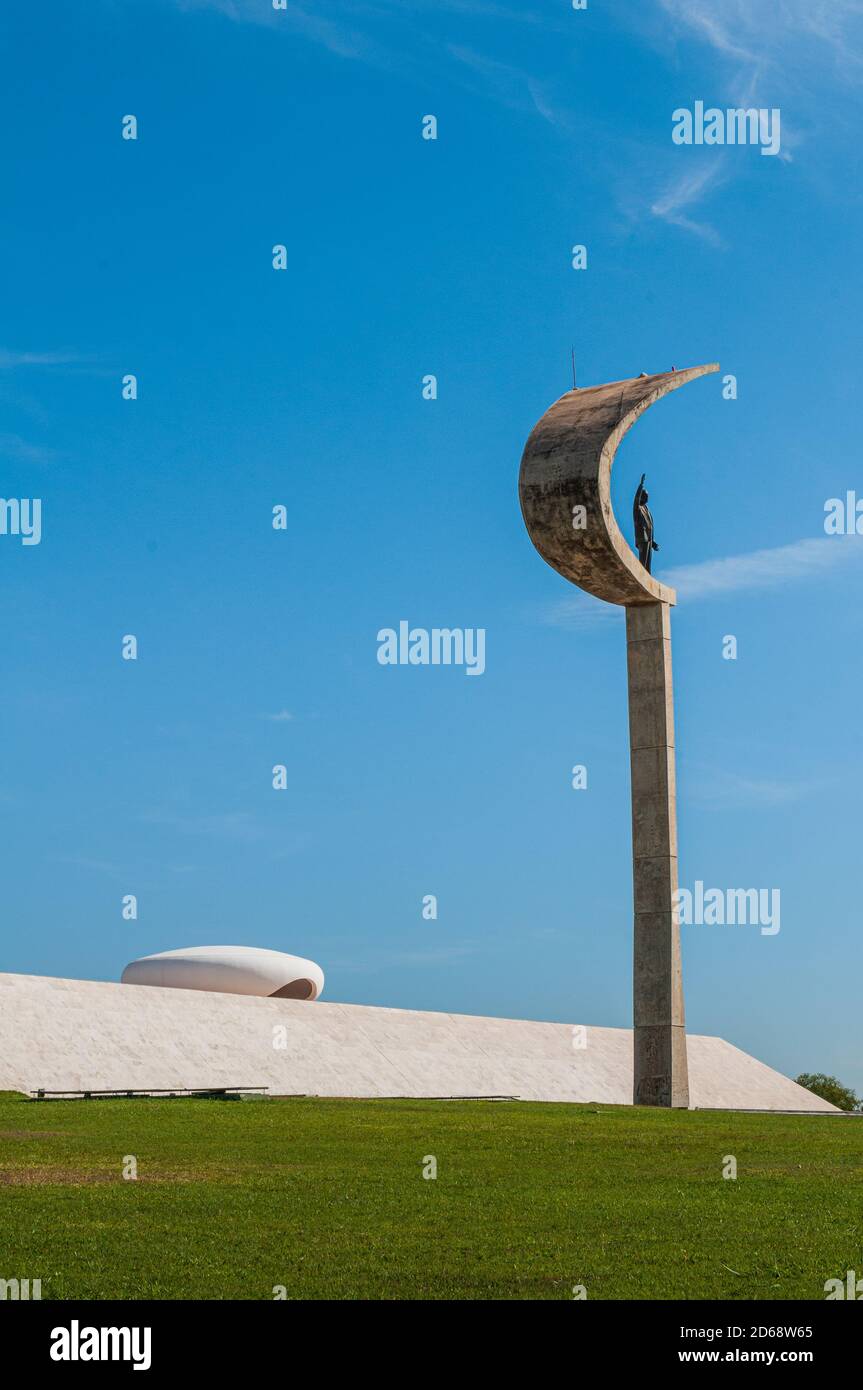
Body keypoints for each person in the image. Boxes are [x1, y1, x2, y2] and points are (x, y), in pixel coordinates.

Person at [632, 473, 659, 573]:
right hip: (642, 538)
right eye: (646, 496)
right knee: (642, 564)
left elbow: (650, 525)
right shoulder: (637, 508)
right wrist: (641, 485)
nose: (648, 498)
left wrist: (653, 541)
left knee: (648, 565)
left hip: (649, 539)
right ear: (642, 497)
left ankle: (647, 577)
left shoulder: (646, 509)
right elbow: (636, 500)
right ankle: (640, 576)